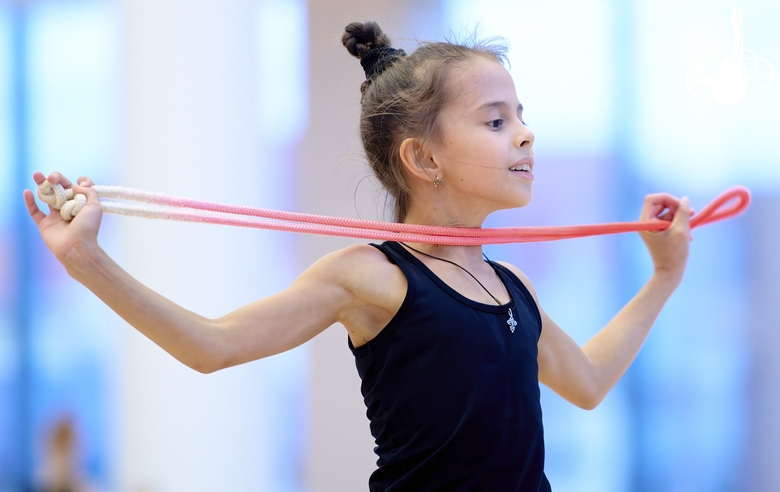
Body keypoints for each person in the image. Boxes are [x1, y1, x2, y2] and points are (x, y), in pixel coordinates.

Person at [23, 21, 692, 492]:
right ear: (422, 158)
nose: (526, 133)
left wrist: (664, 275)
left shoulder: (510, 283)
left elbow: (588, 382)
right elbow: (211, 345)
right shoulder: (370, 275)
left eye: (520, 114)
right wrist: (87, 262)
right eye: (496, 121)